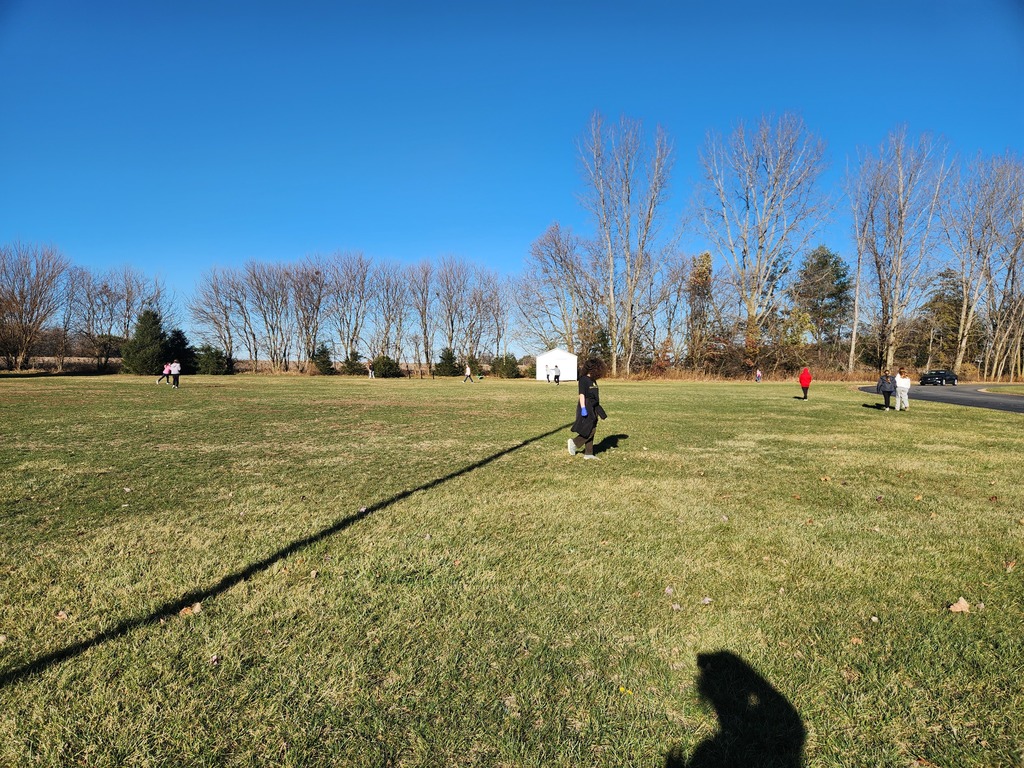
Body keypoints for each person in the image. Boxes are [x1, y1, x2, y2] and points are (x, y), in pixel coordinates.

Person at [568, 358, 607, 460]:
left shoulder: (593, 380)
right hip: (586, 406)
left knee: (592, 427)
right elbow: (582, 395)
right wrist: (583, 408)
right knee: (590, 429)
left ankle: (588, 453)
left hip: (594, 406)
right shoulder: (583, 379)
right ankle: (574, 442)